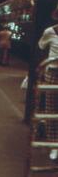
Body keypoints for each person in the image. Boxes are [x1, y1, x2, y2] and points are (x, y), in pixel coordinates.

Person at [38, 16, 58, 160]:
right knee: (51, 110)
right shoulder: (49, 32)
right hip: (53, 73)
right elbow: (42, 47)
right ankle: (54, 145)